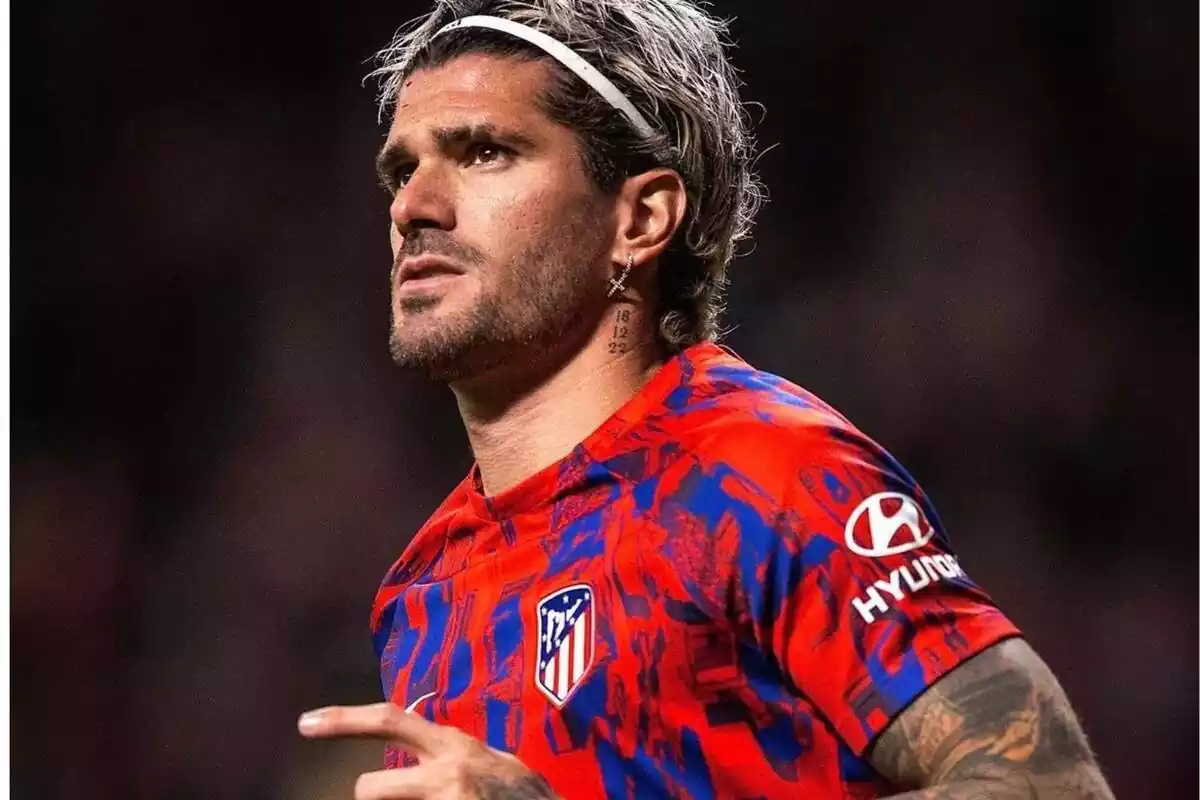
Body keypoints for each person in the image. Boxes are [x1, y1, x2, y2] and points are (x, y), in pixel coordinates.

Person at [298, 1, 1116, 798]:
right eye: (401, 170)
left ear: (641, 218)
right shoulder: (425, 586)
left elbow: (1046, 781)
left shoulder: (766, 473)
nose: (412, 206)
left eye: (483, 152)